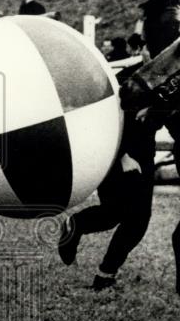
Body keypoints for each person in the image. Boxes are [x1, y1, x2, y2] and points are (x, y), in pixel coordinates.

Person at [58, 77, 157, 289]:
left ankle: (105, 273)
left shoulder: (166, 78)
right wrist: (122, 156)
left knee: (136, 221)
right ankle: (76, 227)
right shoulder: (127, 78)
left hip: (144, 157)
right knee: (117, 213)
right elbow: (105, 116)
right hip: (119, 157)